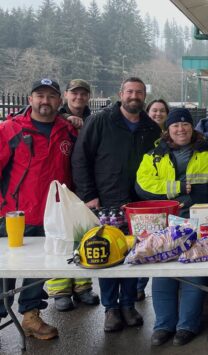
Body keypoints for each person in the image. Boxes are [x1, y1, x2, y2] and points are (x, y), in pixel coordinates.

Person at [72, 77, 162, 332]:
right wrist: (89, 194)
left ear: (144, 96)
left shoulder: (151, 128)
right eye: (130, 91)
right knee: (108, 254)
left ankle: (128, 304)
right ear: (120, 93)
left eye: (139, 92)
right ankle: (111, 308)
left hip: (140, 205)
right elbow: (81, 159)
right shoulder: (100, 121)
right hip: (106, 201)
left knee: (135, 254)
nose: (135, 96)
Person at [135, 108, 208, 346]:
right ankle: (163, 325)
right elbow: (142, 185)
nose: (181, 129)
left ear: (192, 127)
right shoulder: (154, 155)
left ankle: (187, 325)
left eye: (185, 125)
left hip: (199, 222)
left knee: (193, 273)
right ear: (168, 129)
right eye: (175, 125)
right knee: (163, 274)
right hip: (166, 223)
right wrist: (175, 187)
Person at [0, 78, 77, 340]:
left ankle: (31, 316)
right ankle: (1, 312)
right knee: (5, 269)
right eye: (40, 95)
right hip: (15, 215)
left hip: (53, 216)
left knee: (41, 268)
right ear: (30, 99)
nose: (45, 101)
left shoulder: (68, 131)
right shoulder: (11, 129)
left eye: (51, 96)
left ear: (60, 100)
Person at [46, 79, 99, 312]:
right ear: (66, 95)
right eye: (74, 93)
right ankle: (59, 290)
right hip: (58, 186)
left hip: (83, 188)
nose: (79, 97)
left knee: (83, 237)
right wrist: (65, 120)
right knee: (59, 239)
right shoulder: (53, 117)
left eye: (83, 94)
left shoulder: (93, 120)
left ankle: (82, 286)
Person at [136, 98, 171, 302]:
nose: (158, 114)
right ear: (147, 112)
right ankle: (139, 285)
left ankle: (142, 285)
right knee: (144, 242)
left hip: (163, 196)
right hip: (144, 192)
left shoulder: (169, 136)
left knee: (158, 242)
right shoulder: (141, 133)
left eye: (161, 111)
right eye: (154, 111)